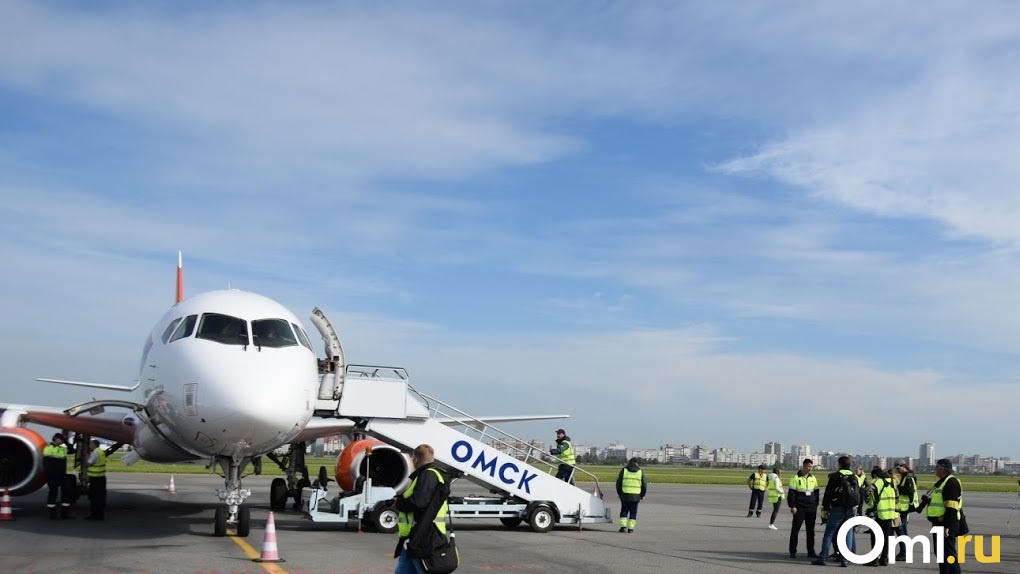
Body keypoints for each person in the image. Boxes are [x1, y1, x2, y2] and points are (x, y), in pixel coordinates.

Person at [392, 444, 449, 574]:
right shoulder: (434, 475)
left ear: (415, 459)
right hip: (414, 537)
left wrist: (399, 504)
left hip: (423, 536)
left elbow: (418, 502)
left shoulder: (427, 475)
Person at [917, 458, 962, 574]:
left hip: (946, 524)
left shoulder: (951, 483)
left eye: (937, 467)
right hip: (938, 523)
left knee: (949, 555)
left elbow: (952, 507)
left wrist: (946, 526)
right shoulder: (942, 482)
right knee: (941, 555)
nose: (935, 470)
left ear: (943, 469)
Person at [812, 455, 858, 567]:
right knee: (848, 533)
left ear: (840, 464)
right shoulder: (854, 477)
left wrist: (825, 507)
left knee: (829, 532)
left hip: (838, 507)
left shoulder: (835, 476)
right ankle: (845, 560)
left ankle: (823, 557)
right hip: (851, 508)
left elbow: (828, 493)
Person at [865, 466, 898, 566]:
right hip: (890, 512)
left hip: (878, 512)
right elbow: (897, 497)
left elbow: (868, 495)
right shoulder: (893, 481)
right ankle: (884, 558)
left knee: (875, 536)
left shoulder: (876, 481)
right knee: (886, 536)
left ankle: (874, 559)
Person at [788, 458, 820, 559]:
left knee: (811, 531)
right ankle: (792, 551)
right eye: (808, 466)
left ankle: (811, 551)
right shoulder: (795, 477)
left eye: (811, 467)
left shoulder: (813, 478)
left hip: (811, 508)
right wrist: (793, 506)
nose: (810, 469)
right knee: (795, 530)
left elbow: (816, 492)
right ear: (804, 466)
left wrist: (815, 504)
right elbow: (791, 493)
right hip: (800, 508)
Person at [42, 433, 72, 519]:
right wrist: (49, 475)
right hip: (53, 475)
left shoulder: (62, 449)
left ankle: (65, 514)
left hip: (62, 475)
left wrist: (65, 442)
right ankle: (52, 514)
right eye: (61, 439)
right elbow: (46, 463)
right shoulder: (48, 448)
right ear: (56, 439)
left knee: (66, 493)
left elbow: (72, 450)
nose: (62, 441)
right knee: (53, 494)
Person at [894, 460, 919, 561]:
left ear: (903, 466)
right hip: (904, 507)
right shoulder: (906, 476)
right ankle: (905, 551)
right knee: (903, 529)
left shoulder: (908, 477)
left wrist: (898, 489)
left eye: (898, 468)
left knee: (901, 530)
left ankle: (904, 552)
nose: (897, 471)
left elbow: (909, 491)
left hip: (904, 508)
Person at [616, 457, 647, 533]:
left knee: (624, 510)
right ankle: (631, 528)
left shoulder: (624, 470)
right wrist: (642, 495)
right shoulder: (640, 471)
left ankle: (623, 527)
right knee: (633, 512)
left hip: (625, 494)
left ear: (629, 463)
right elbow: (644, 485)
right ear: (637, 463)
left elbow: (618, 483)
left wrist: (619, 493)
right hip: (636, 496)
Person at [85, 439, 106, 520]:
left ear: (94, 445)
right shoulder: (101, 452)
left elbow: (88, 463)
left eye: (90, 444)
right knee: (100, 498)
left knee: (94, 498)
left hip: (95, 478)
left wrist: (87, 458)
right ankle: (100, 515)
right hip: (101, 477)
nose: (89, 446)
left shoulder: (95, 453)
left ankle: (94, 515)